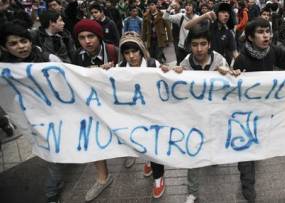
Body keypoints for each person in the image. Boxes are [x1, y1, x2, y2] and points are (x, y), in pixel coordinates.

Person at [233, 18, 285, 202]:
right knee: (246, 151)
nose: (266, 35)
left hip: (266, 111)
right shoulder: (241, 59)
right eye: (261, 32)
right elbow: (234, 90)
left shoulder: (274, 51)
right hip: (247, 114)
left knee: (258, 144)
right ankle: (247, 184)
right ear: (250, 37)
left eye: (268, 31)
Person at [0, 21, 63, 203]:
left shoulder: (48, 59)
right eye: (13, 43)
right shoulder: (5, 71)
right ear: (4, 47)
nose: (20, 46)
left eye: (23, 41)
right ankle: (52, 193)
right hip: (35, 121)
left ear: (29, 40)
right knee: (53, 154)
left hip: (60, 114)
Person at [179, 28, 240, 203]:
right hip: (194, 117)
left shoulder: (220, 60)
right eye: (195, 45)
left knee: (214, 141)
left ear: (210, 45)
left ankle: (213, 156)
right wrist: (171, 72)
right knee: (193, 154)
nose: (199, 49)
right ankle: (192, 191)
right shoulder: (185, 64)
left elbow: (231, 85)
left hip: (215, 114)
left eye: (203, 44)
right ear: (190, 46)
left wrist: (231, 73)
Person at [117, 31, 174, 199]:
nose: (131, 56)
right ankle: (148, 160)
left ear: (141, 50)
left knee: (155, 144)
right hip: (133, 115)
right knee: (140, 141)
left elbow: (166, 82)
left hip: (153, 114)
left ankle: (158, 177)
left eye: (134, 51)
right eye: (127, 53)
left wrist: (168, 71)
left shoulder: (152, 64)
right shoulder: (119, 68)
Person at [72, 19, 118, 202]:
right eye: (82, 37)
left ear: (98, 36)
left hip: (117, 105)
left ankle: (130, 156)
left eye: (91, 36)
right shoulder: (78, 55)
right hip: (92, 106)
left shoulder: (114, 51)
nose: (87, 41)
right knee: (92, 138)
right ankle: (102, 177)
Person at [162, 0, 199, 64]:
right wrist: (170, 7)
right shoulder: (181, 16)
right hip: (181, 48)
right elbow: (165, 17)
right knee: (180, 67)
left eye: (190, 5)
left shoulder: (198, 18)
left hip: (193, 49)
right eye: (186, 5)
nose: (187, 7)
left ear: (194, 8)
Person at [142, 0, 167, 64]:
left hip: (160, 38)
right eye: (149, 5)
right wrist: (143, 40)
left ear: (156, 5)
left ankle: (159, 68)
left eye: (152, 5)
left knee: (158, 57)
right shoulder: (146, 16)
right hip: (150, 39)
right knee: (151, 57)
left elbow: (167, 27)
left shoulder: (162, 14)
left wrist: (168, 39)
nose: (151, 6)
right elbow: (144, 29)